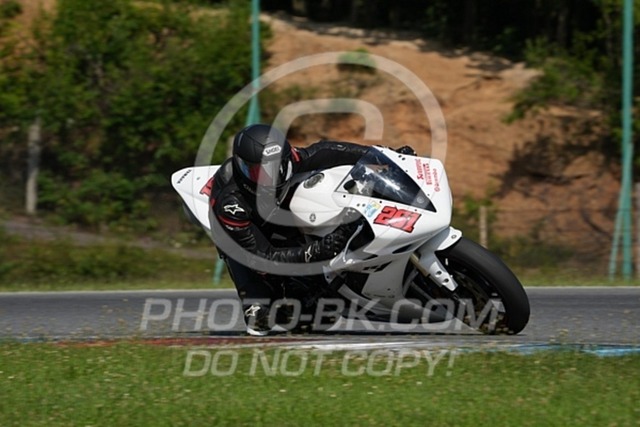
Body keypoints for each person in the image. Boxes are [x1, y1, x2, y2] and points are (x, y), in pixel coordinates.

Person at [208, 123, 414, 335]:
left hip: (278, 211)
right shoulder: (230, 203)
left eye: (278, 167)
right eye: (259, 173)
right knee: (261, 317)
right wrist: (314, 252)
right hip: (242, 232)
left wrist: (385, 155)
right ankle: (253, 301)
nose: (271, 178)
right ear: (242, 166)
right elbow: (262, 256)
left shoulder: (290, 160)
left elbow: (327, 151)